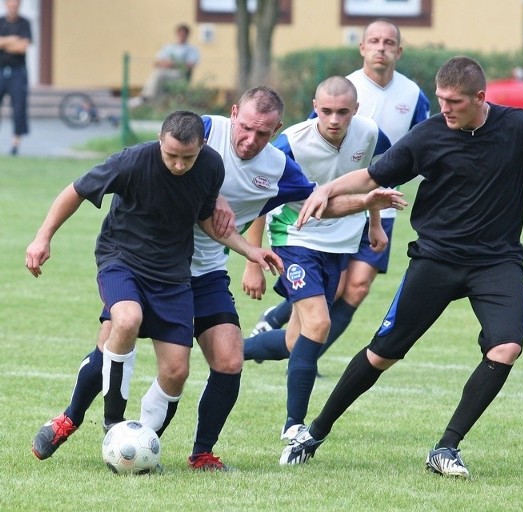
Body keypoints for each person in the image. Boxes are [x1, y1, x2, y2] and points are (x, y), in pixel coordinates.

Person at [29, 90, 403, 471]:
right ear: (233, 114)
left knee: (226, 359)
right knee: (113, 338)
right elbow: (177, 153)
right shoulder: (203, 132)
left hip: (204, 270)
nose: (250, 140)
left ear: (277, 130)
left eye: (263, 133)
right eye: (245, 128)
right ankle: (70, 418)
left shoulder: (277, 166)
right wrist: (215, 194)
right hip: (142, 261)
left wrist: (365, 203)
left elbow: (317, 204)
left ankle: (189, 451)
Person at [279, 56, 523, 476]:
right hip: (436, 259)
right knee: (383, 354)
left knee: (506, 346)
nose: (445, 109)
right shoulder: (428, 136)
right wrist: (326, 189)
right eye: (440, 99)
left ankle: (446, 448)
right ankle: (316, 431)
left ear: (480, 97)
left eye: (454, 101)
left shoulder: (520, 126)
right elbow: (371, 175)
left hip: (497, 261)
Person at [26, 110, 283, 468]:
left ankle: (137, 445)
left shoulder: (210, 167)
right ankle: (109, 423)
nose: (179, 165)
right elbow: (76, 190)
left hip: (174, 275)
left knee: (177, 371)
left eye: (187, 157)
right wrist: (43, 238)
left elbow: (206, 218)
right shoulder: (132, 161)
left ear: (203, 146)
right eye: (171, 155)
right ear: (161, 141)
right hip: (122, 260)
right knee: (125, 320)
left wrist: (250, 250)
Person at [250, 18, 429, 366]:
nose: (381, 47)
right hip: (330, 205)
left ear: (399, 51)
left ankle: (309, 356)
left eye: (388, 42)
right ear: (362, 48)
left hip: (379, 203)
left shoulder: (413, 95)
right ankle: (286, 324)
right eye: (373, 41)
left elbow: (420, 145)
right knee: (332, 288)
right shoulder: (342, 89)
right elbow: (308, 144)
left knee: (357, 287)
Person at [242, 76, 392, 448]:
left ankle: (233, 349)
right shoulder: (290, 143)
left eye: (343, 112)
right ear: (314, 107)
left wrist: (375, 224)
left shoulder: (372, 135)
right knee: (319, 323)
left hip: (339, 245)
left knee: (297, 340)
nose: (334, 119)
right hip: (294, 238)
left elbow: (377, 182)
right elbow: (262, 199)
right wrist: (252, 261)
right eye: (326, 111)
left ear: (356, 110)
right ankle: (294, 425)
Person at [135, 23, 199, 103]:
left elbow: (190, 65)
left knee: (159, 75)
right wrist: (166, 64)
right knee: (158, 74)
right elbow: (156, 63)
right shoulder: (168, 47)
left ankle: (147, 97)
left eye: (184, 34)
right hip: (166, 72)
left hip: (180, 75)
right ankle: (148, 98)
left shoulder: (191, 49)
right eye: (180, 33)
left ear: (187, 35)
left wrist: (173, 64)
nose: (182, 36)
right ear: (177, 34)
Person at [0, 0, 31, 156]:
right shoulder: (1, 22)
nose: (13, 7)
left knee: (19, 108)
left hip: (18, 72)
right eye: (10, 4)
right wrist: (13, 39)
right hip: (0, 70)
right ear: (6, 5)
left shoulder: (24, 23)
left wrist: (5, 42)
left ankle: (15, 144)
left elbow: (22, 47)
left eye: (16, 4)